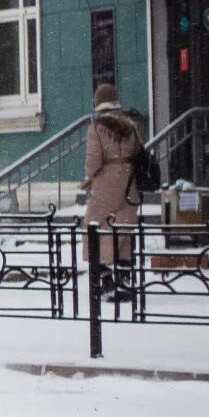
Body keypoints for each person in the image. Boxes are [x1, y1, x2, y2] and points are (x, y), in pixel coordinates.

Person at [79, 84, 143, 301]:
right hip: (129, 186)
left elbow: (93, 161)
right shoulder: (130, 126)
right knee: (122, 233)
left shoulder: (96, 127)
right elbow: (139, 152)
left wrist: (89, 177)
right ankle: (125, 280)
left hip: (105, 186)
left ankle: (106, 282)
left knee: (94, 232)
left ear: (99, 104)